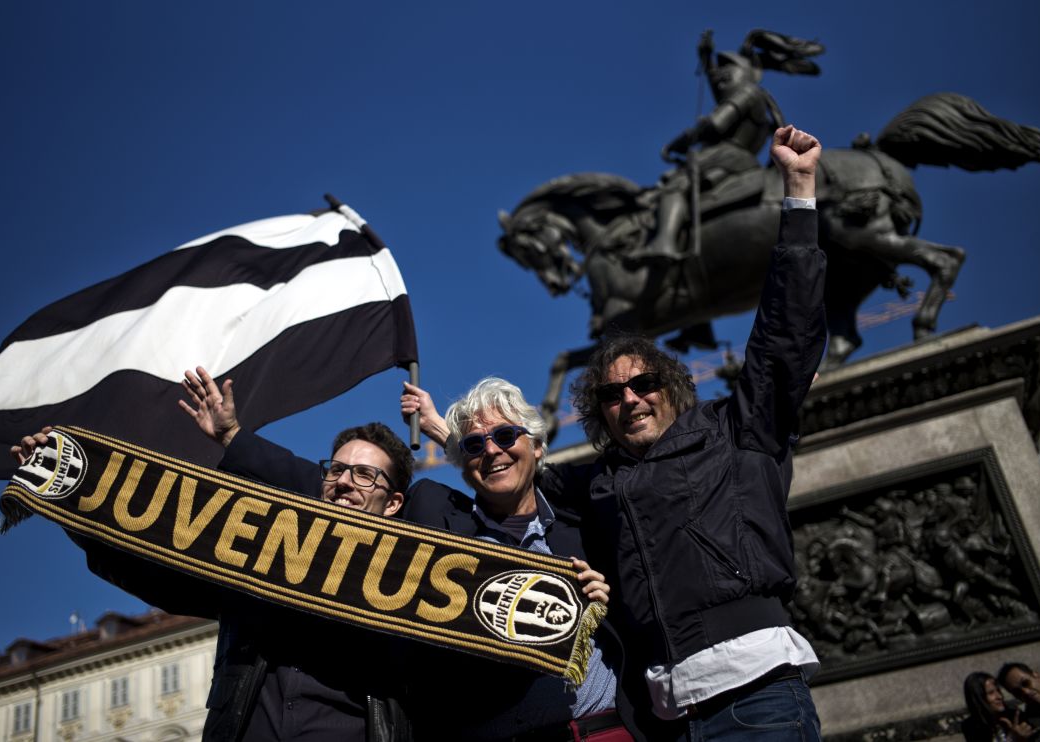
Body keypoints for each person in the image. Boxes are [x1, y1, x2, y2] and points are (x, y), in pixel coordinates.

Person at [404, 124, 825, 739]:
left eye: (644, 384)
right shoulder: (597, 483)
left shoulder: (738, 433)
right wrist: (452, 436)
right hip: (666, 719)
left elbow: (785, 339)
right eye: (610, 394)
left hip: (756, 698)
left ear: (672, 386)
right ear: (597, 411)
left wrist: (799, 193)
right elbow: (516, 468)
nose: (630, 399)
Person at [183, 372, 640, 740]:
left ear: (538, 446)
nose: (493, 451)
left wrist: (603, 597)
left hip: (599, 729)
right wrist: (235, 438)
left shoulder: (581, 517)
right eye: (477, 446)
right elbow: (336, 491)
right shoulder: (438, 516)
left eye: (505, 435)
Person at [13, 368, 416, 742]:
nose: (344, 482)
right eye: (335, 470)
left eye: (364, 475)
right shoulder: (260, 554)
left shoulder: (412, 589)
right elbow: (151, 571)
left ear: (394, 503)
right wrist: (68, 498)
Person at [636, 29, 822, 263]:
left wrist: (679, 142)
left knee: (675, 186)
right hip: (740, 161)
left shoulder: (746, 93)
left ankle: (663, 242)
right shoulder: (758, 97)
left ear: (741, 73)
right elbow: (717, 83)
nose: (719, 75)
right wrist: (706, 59)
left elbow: (716, 123)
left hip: (724, 157)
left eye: (727, 70)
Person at [962, 671, 1039, 742]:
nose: (999, 696)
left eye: (998, 690)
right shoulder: (972, 727)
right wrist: (1012, 739)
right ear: (978, 698)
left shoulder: (1015, 716)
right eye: (991, 693)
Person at [998, 663, 1040, 735]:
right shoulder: (1032, 726)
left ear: (1037, 676)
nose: (1026, 692)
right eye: (1017, 692)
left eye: (1025, 683)